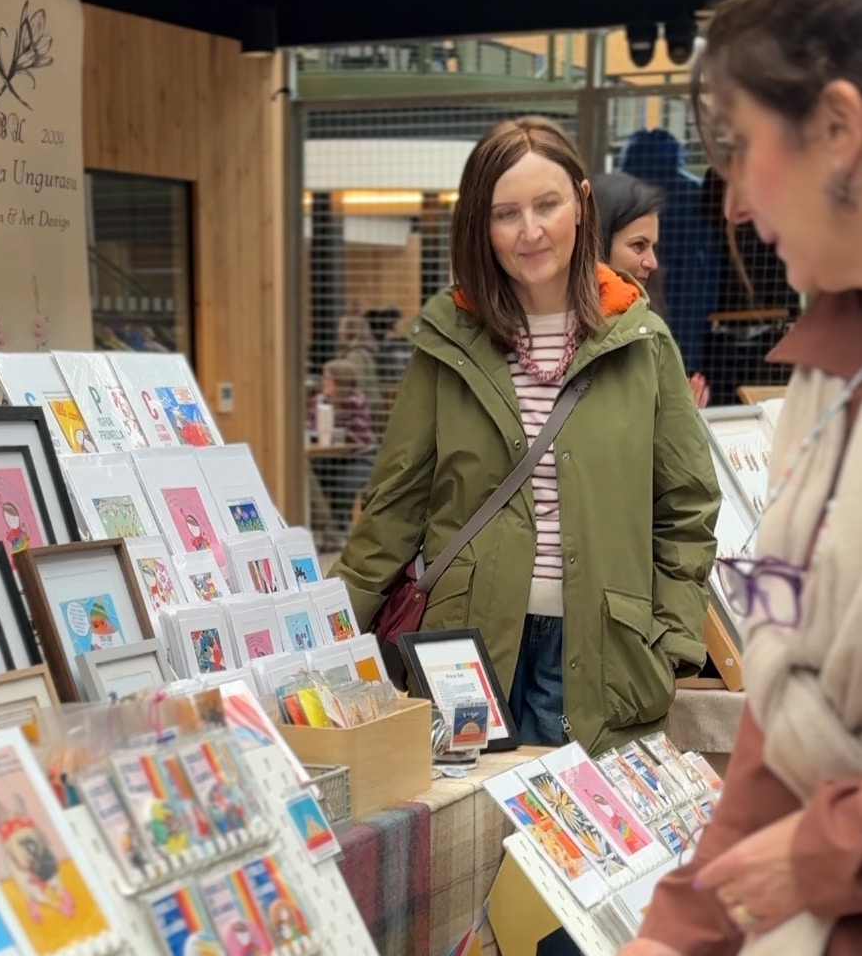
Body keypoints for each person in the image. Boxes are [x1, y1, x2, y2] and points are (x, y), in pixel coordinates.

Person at [576, 0, 862, 956]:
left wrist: (836, 844)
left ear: (839, 127)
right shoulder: (823, 381)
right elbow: (786, 711)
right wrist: (678, 923)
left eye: (742, 150)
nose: (732, 202)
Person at [333, 116, 719, 756]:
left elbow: (686, 504)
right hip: (466, 651)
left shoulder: (641, 342)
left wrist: (673, 638)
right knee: (468, 843)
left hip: (603, 650)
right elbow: (396, 500)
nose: (531, 230)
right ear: (479, 226)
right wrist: (334, 623)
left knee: (583, 845)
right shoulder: (448, 341)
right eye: (506, 212)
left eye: (547, 204)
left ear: (582, 202)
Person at [592, 171, 711, 407]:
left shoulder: (647, 317)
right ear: (599, 241)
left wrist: (680, 414)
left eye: (653, 247)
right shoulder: (564, 324)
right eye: (638, 245)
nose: (652, 262)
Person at [308, 358, 376, 544]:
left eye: (328, 378)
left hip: (360, 455)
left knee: (344, 483)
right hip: (330, 456)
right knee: (315, 477)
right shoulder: (319, 401)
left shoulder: (355, 401)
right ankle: (323, 530)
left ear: (340, 382)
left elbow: (357, 437)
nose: (324, 382)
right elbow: (311, 430)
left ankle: (339, 529)